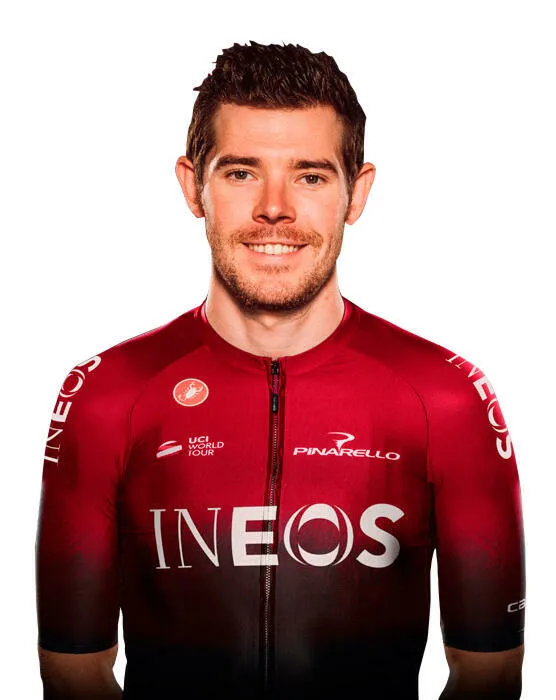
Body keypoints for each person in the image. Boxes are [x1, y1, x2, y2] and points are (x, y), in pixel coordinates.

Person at [35, 40, 525, 700]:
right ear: (193, 186)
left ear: (356, 193)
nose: (275, 208)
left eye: (310, 176)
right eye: (241, 173)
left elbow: (490, 673)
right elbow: (74, 672)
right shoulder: (106, 396)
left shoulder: (447, 397)